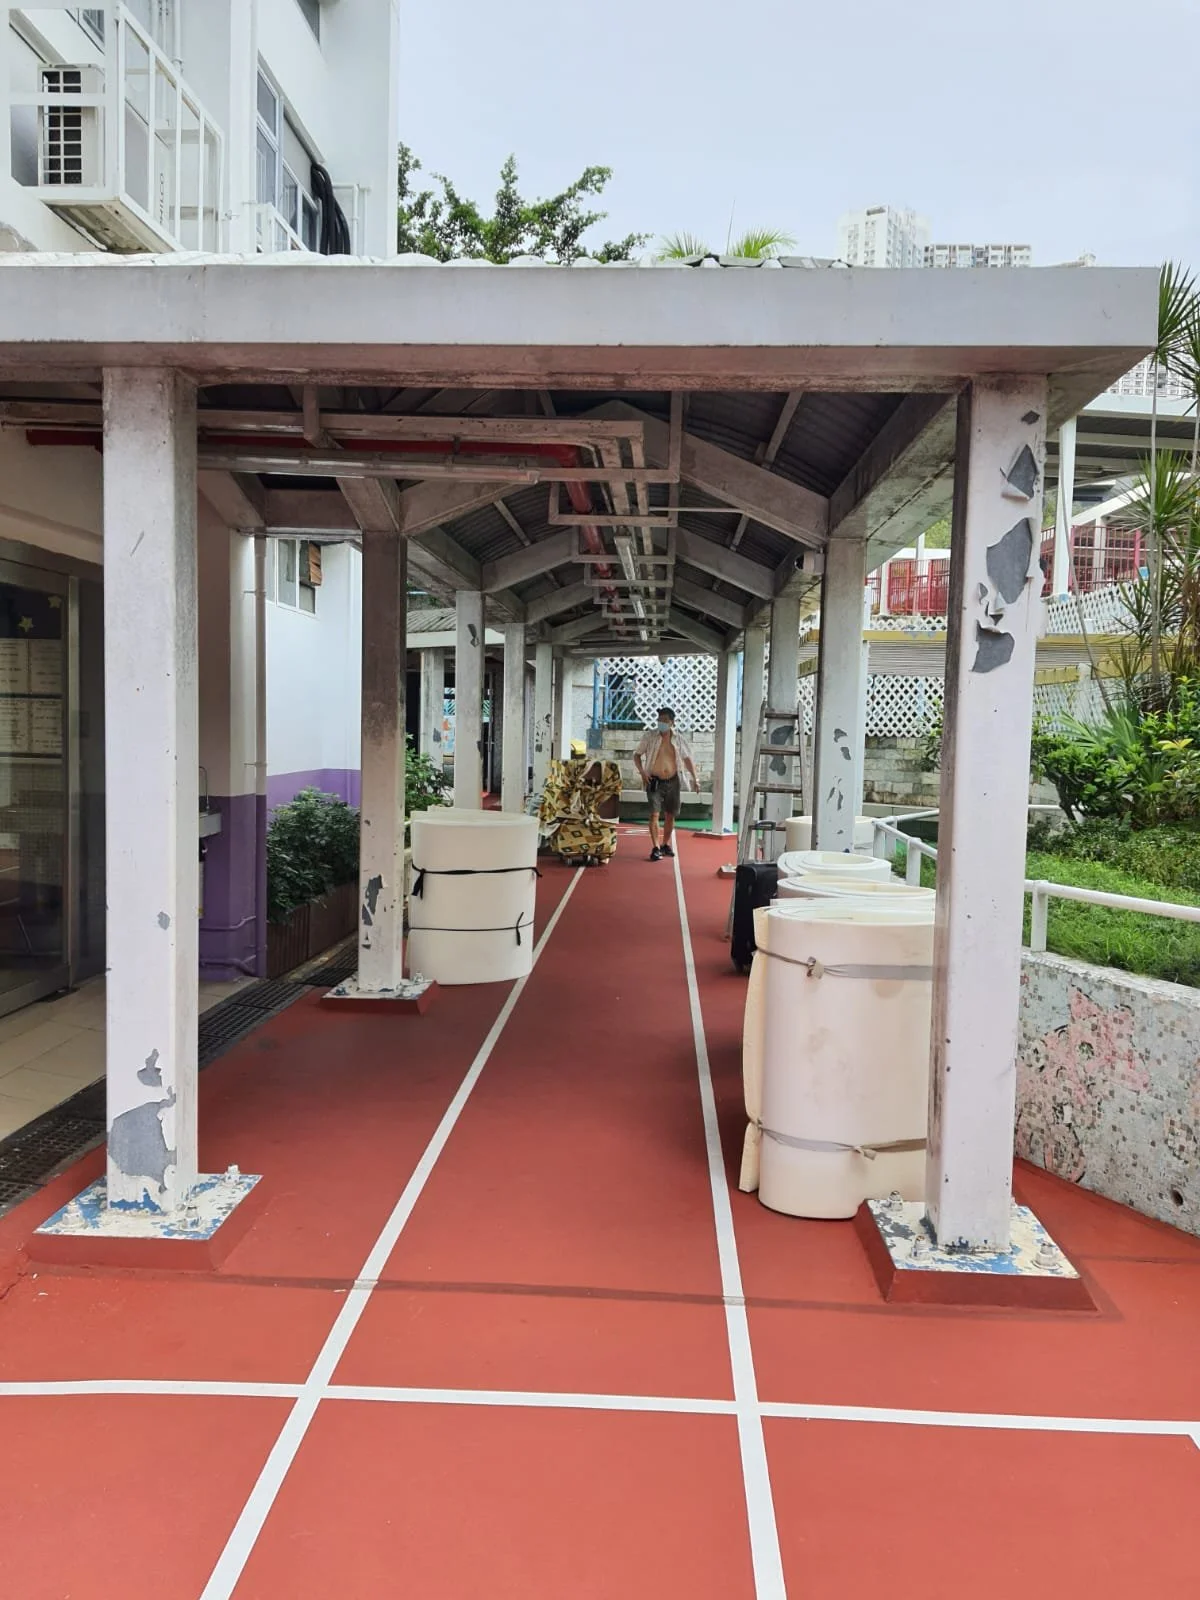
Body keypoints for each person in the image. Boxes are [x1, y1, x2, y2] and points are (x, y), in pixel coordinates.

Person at [633, 707, 698, 861]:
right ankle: (655, 847)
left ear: (672, 722)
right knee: (654, 813)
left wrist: (696, 779)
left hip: (673, 780)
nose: (661, 723)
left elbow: (687, 759)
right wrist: (642, 772)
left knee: (670, 814)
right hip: (654, 780)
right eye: (659, 720)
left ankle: (665, 844)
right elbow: (637, 755)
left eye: (665, 720)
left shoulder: (679, 739)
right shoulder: (650, 736)